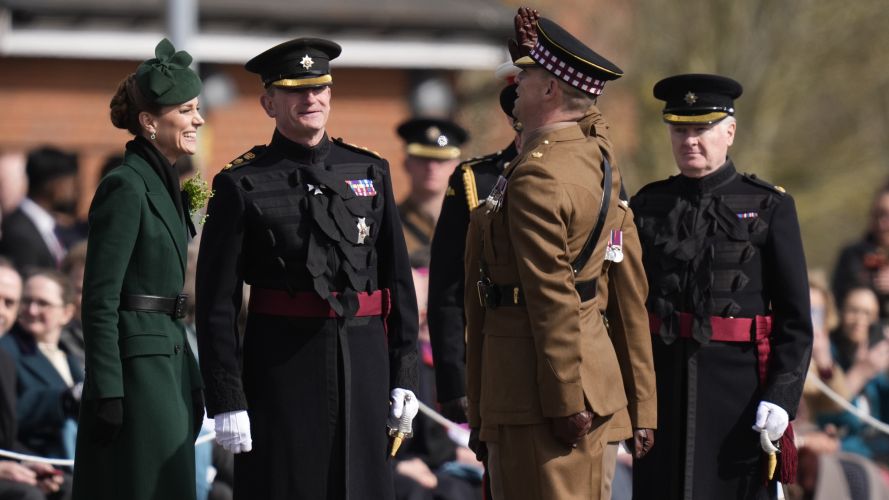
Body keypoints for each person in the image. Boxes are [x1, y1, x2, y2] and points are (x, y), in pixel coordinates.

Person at [195, 37, 419, 500]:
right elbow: (217, 302)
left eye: (319, 88)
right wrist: (227, 398)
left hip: (364, 365)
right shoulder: (241, 182)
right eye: (296, 90)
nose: (310, 99)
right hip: (282, 367)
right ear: (268, 103)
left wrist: (405, 375)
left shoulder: (370, 170)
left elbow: (397, 282)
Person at [463, 17, 655, 500]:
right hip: (578, 382)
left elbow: (552, 300)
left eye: (526, 78)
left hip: (541, 395)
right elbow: (592, 115)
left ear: (549, 89)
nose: (516, 85)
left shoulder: (537, 179)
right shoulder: (596, 154)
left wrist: (565, 399)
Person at [630, 74, 813, 499]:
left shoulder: (770, 205)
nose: (690, 140)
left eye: (702, 129)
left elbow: (795, 320)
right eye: (679, 129)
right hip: (662, 389)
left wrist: (782, 396)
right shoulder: (647, 205)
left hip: (740, 393)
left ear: (729, 131)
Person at [70, 38, 205, 500]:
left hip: (168, 363)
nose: (198, 120)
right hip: (136, 375)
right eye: (186, 110)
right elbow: (100, 297)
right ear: (150, 122)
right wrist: (108, 389)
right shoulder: (125, 186)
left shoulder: (162, 184)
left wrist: (193, 375)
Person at [427, 82, 520, 423]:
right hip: (500, 357)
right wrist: (454, 381)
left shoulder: (598, 174)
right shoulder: (476, 180)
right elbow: (447, 290)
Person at [396, 118, 468, 261]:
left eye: (441, 160)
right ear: (406, 163)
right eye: (423, 159)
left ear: (456, 165)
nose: (431, 168)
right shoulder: (390, 222)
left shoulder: (471, 222)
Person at [0, 147, 78, 272]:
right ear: (53, 185)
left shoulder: (46, 224)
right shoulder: (19, 230)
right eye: (69, 182)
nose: (72, 190)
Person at [833, 183, 889, 319]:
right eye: (878, 215)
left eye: (887, 216)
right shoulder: (852, 255)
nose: (882, 223)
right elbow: (839, 299)